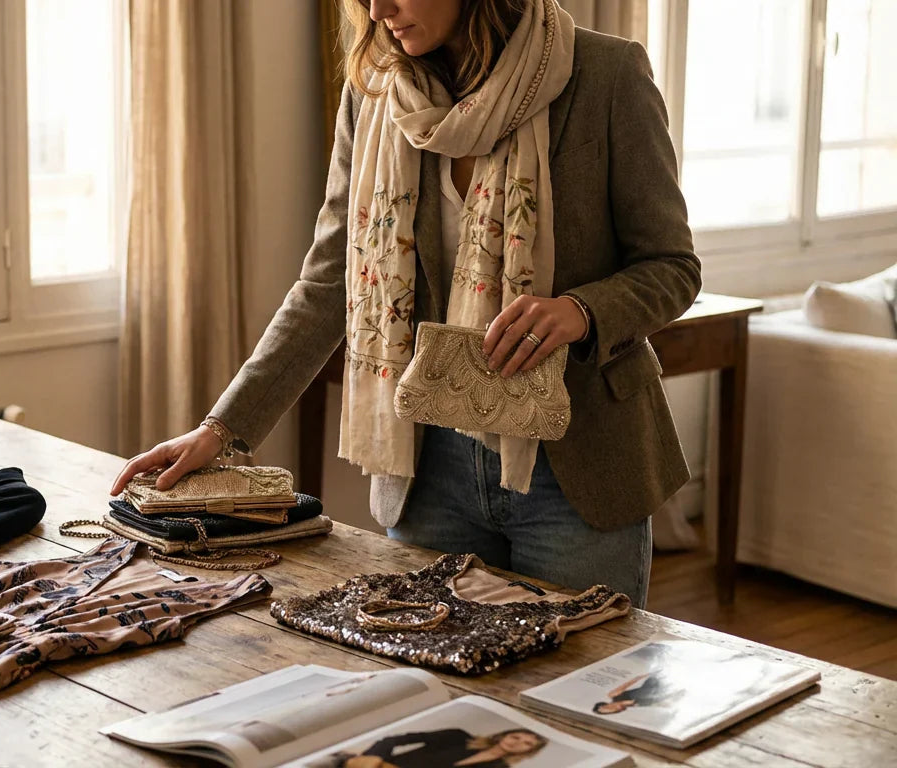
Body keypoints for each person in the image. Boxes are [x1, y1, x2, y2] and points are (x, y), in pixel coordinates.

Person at [110, 0, 700, 608]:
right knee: (440, 689)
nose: (378, 9)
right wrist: (222, 429)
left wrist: (581, 310)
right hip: (428, 466)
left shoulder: (605, 74)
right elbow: (328, 283)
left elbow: (672, 266)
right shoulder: (374, 97)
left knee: (574, 690)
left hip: (577, 466)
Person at [343, 727, 548, 768]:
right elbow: (393, 741)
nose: (518, 742)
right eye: (516, 736)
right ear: (504, 735)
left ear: (528, 751)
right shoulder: (458, 736)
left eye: (527, 744)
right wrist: (373, 759)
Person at [594, 672, 684, 715]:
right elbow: (660, 703)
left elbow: (628, 684)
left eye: (609, 708)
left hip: (656, 681)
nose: (615, 710)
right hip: (671, 688)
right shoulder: (636, 705)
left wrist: (645, 675)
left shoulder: (613, 695)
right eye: (614, 711)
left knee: (649, 693)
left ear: (605, 705)